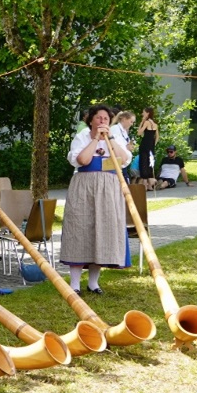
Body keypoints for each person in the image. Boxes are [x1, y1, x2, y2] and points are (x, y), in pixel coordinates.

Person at [60, 104, 133, 294]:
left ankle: (94, 283)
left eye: (106, 119)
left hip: (108, 187)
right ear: (91, 120)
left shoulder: (113, 137)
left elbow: (124, 159)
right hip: (84, 186)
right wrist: (95, 140)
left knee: (103, 230)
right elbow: (82, 160)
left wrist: (108, 139)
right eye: (99, 118)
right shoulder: (82, 137)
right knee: (80, 229)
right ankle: (74, 284)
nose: (102, 121)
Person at [110, 111, 137, 184]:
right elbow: (114, 145)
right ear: (124, 119)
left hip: (123, 165)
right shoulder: (115, 129)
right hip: (117, 165)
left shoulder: (124, 131)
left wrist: (129, 146)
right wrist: (126, 148)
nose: (132, 124)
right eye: (131, 121)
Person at [136, 107, 159, 189]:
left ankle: (145, 184)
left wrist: (142, 122)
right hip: (151, 146)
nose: (142, 114)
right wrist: (154, 144)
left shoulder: (146, 122)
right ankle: (150, 185)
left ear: (147, 113)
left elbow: (139, 133)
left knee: (143, 163)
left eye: (143, 112)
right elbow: (157, 137)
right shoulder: (155, 124)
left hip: (144, 145)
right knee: (150, 163)